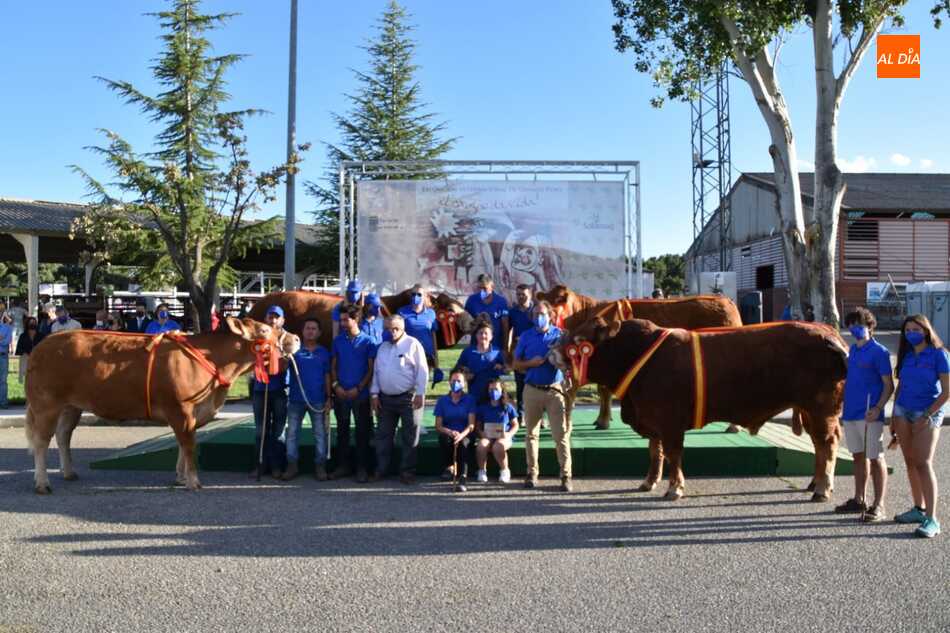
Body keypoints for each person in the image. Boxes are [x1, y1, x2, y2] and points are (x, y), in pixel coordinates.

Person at [892, 314, 949, 538]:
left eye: (916, 329)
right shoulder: (906, 355)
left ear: (926, 330)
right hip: (902, 411)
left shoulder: (940, 355)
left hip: (927, 413)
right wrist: (895, 417)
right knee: (910, 462)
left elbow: (947, 392)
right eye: (908, 330)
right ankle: (918, 508)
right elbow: (901, 385)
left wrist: (927, 414)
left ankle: (932, 519)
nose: (912, 333)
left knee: (924, 463)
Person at [834, 307, 894, 522]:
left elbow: (889, 385)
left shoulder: (880, 352)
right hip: (851, 412)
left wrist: (878, 408)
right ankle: (859, 499)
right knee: (857, 456)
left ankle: (879, 505)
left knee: (876, 458)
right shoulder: (854, 350)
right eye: (851, 325)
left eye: (859, 325)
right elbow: (852, 369)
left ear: (870, 326)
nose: (854, 329)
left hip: (870, 414)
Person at [513, 300, 572, 492]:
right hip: (531, 390)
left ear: (550, 315)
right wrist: (530, 363)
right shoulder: (526, 336)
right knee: (531, 434)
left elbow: (571, 361)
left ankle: (565, 475)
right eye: (536, 314)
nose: (540, 317)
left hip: (555, 390)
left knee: (560, 435)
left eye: (543, 313)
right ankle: (532, 473)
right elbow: (516, 364)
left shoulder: (560, 335)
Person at [370, 314, 428, 484]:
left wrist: (420, 393)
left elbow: (422, 371)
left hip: (409, 397)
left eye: (396, 329)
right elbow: (376, 372)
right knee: (383, 435)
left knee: (410, 436)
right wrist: (374, 394)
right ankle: (382, 469)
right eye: (388, 329)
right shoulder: (382, 348)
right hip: (385, 399)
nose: (392, 332)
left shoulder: (413, 344)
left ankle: (407, 471)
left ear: (403, 328)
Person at [331, 304, 377, 482]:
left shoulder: (368, 341)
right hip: (341, 394)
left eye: (345, 319)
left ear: (355, 319)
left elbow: (371, 369)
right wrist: (336, 386)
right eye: (341, 319)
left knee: (362, 433)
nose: (342, 323)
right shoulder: (338, 341)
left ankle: (362, 468)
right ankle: (343, 466)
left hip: (361, 396)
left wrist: (359, 388)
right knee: (342, 432)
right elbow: (333, 366)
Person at [285, 317, 333, 481]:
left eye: (314, 328)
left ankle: (320, 466)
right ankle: (292, 465)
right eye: (307, 328)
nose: (310, 331)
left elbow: (327, 376)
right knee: (292, 433)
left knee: (320, 434)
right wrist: (286, 354)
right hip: (296, 399)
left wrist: (329, 397)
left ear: (319, 332)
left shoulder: (324, 353)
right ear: (302, 331)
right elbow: (284, 368)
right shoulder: (295, 352)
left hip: (317, 400)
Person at [250, 305, 289, 479]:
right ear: (265, 319)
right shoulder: (258, 339)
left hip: (280, 389)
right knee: (261, 430)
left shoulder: (289, 339)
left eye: (276, 317)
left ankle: (277, 466)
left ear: (282, 320)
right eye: (270, 317)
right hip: (260, 389)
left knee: (279, 431)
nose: (273, 320)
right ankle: (260, 465)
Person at [433, 370, 476, 492]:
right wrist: (450, 432)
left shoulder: (470, 399)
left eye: (459, 381)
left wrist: (461, 435)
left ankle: (463, 477)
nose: (456, 383)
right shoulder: (442, 401)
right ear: (449, 382)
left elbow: (471, 425)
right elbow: (438, 425)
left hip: (465, 433)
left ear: (464, 384)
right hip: (449, 432)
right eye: (453, 380)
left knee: (463, 444)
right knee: (444, 439)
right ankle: (449, 467)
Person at [474, 379, 520, 484]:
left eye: (496, 389)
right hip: (487, 436)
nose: (493, 391)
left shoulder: (508, 407)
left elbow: (515, 424)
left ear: (501, 390)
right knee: (481, 445)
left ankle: (505, 470)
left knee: (498, 446)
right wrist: (482, 434)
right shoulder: (482, 407)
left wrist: (509, 434)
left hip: (504, 437)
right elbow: (478, 426)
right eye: (491, 389)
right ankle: (482, 471)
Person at [454, 319, 506, 404]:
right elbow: (457, 370)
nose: (483, 336)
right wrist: (465, 375)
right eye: (480, 333)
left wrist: (501, 367)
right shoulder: (468, 352)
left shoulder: (497, 352)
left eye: (486, 333)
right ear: (476, 336)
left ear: (491, 336)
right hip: (474, 395)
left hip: (492, 397)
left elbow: (505, 370)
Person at [397, 284, 440, 373]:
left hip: (427, 355)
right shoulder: (401, 311)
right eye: (413, 294)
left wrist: (437, 364)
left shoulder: (431, 313)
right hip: (408, 355)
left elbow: (433, 336)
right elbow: (398, 334)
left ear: (424, 296)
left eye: (419, 294)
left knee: (423, 385)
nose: (416, 296)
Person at [506, 284, 534, 419]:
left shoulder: (537, 310)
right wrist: (509, 351)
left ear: (530, 294)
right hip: (519, 353)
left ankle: (540, 417)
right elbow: (508, 332)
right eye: (518, 295)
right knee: (520, 384)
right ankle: (521, 415)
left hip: (535, 352)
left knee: (538, 384)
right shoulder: (512, 312)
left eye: (523, 294)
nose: (521, 297)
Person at [464, 274, 509, 354]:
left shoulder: (501, 301)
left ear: (492, 286)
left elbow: (505, 325)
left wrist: (505, 347)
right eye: (479, 288)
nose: (482, 291)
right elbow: (466, 323)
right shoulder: (471, 300)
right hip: (476, 345)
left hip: (496, 345)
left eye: (484, 288)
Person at [15, 316, 44, 386]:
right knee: (27, 380)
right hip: (26, 359)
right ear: (27, 324)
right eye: (31, 323)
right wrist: (25, 353)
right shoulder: (22, 336)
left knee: (38, 380)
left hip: (38, 360)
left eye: (34, 323)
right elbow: (18, 349)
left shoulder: (41, 336)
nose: (32, 324)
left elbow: (44, 348)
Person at [0, 315, 11, 408]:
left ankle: (3, 403)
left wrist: (2, 339)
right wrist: (1, 338)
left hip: (3, 356)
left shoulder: (7, 328)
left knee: (3, 381)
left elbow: (6, 342)